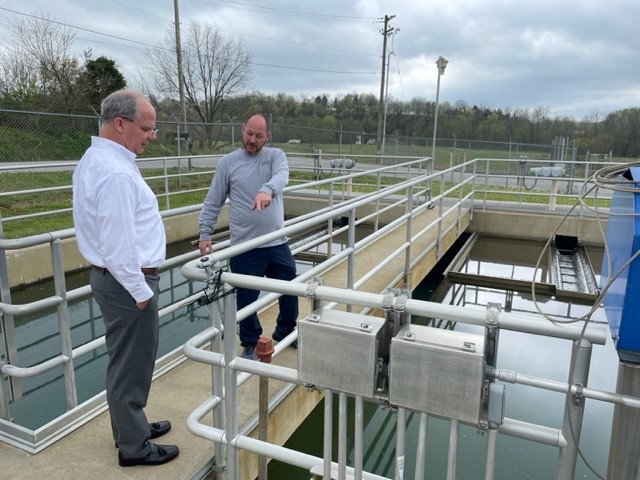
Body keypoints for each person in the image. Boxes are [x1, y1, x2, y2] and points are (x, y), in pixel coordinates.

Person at [72, 89, 179, 467]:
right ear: (121, 124)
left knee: (127, 363)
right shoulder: (114, 171)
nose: (152, 135)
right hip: (126, 282)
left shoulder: (98, 159)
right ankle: (134, 447)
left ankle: (132, 427)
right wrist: (140, 293)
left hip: (115, 278)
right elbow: (117, 244)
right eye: (147, 128)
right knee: (131, 366)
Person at [198, 113, 298, 360]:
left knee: (289, 289)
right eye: (249, 133)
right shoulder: (228, 163)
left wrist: (267, 191)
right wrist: (204, 233)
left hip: (276, 242)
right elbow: (214, 200)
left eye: (259, 135)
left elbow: (282, 176)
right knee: (245, 298)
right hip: (244, 246)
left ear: (268, 137)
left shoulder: (275, 156)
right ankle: (250, 343)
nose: (252, 139)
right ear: (242, 130)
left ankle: (285, 331)